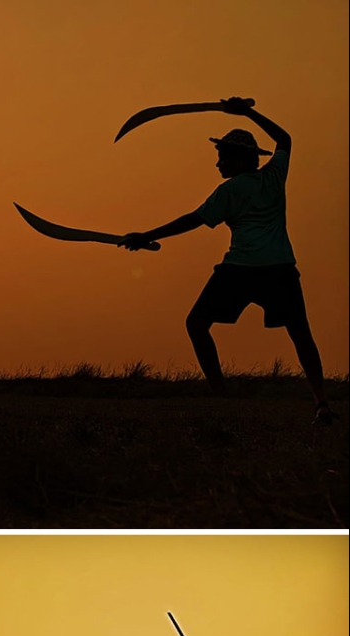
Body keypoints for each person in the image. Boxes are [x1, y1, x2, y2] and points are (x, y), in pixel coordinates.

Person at [120, 97, 335, 425]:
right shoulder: (275, 176)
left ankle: (221, 395)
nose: (218, 164)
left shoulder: (229, 191)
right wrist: (247, 112)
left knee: (196, 324)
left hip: (240, 270)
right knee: (300, 332)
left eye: (222, 157)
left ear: (238, 159)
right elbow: (285, 139)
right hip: (280, 269)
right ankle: (321, 402)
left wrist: (146, 235)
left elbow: (193, 219)